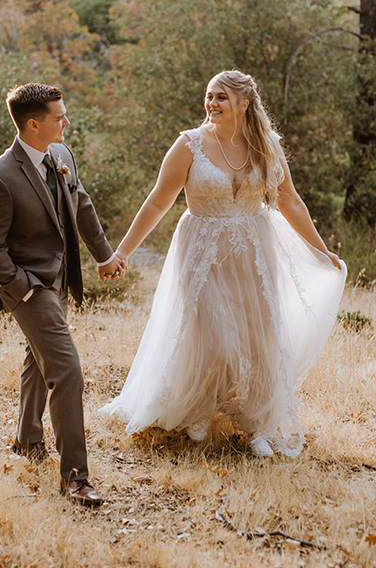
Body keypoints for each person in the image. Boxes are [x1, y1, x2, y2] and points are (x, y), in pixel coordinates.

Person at [101, 69, 346, 458]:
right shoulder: (189, 145)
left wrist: (320, 250)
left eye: (220, 97)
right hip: (203, 251)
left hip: (253, 252)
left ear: (244, 104)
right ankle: (199, 408)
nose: (211, 103)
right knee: (215, 338)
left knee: (260, 339)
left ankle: (257, 426)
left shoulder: (266, 145)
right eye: (209, 96)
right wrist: (123, 251)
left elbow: (290, 201)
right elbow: (157, 202)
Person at [0, 83, 126, 505]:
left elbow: (82, 205)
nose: (67, 122)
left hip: (60, 278)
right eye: (60, 117)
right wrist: (21, 289)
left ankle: (26, 438)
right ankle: (75, 476)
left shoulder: (61, 156)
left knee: (37, 361)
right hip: (29, 286)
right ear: (33, 123)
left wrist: (104, 256)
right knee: (67, 369)